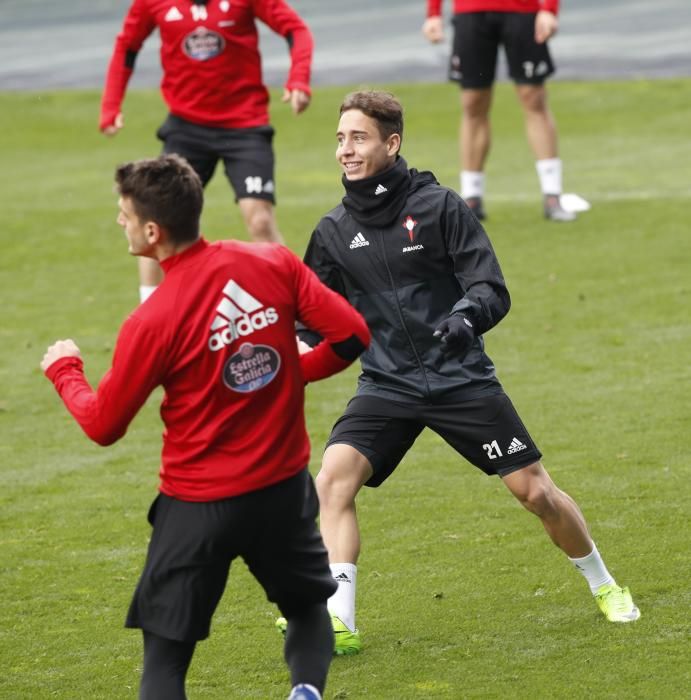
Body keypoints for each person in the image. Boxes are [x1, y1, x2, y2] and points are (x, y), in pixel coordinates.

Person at [281, 90, 639, 656]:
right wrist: (286, 354)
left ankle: (605, 583)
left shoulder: (441, 207)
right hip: (387, 384)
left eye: (358, 138)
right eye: (340, 140)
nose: (345, 151)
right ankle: (338, 617)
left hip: (460, 380)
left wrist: (465, 319)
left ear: (391, 143)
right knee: (333, 479)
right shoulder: (331, 232)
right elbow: (312, 318)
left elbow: (490, 288)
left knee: (536, 494)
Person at [40, 154, 370, 699]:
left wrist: (65, 370)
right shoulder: (273, 263)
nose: (119, 222)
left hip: (197, 505)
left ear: (152, 229)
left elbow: (103, 425)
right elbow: (352, 336)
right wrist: (288, 374)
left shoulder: (153, 319)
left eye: (124, 214)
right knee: (309, 611)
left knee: (165, 660)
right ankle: (305, 691)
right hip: (281, 492)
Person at [100, 0, 315, 302]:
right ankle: (150, 312)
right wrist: (111, 105)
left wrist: (299, 79)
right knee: (154, 216)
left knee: (260, 221)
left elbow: (295, 29)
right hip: (186, 129)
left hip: (245, 125)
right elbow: (127, 46)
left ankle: (298, 311)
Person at [422, 0, 577, 222]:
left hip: (523, 10)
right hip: (471, 11)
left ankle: (552, 195)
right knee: (473, 103)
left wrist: (549, 9)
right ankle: (472, 198)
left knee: (534, 99)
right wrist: (433, 12)